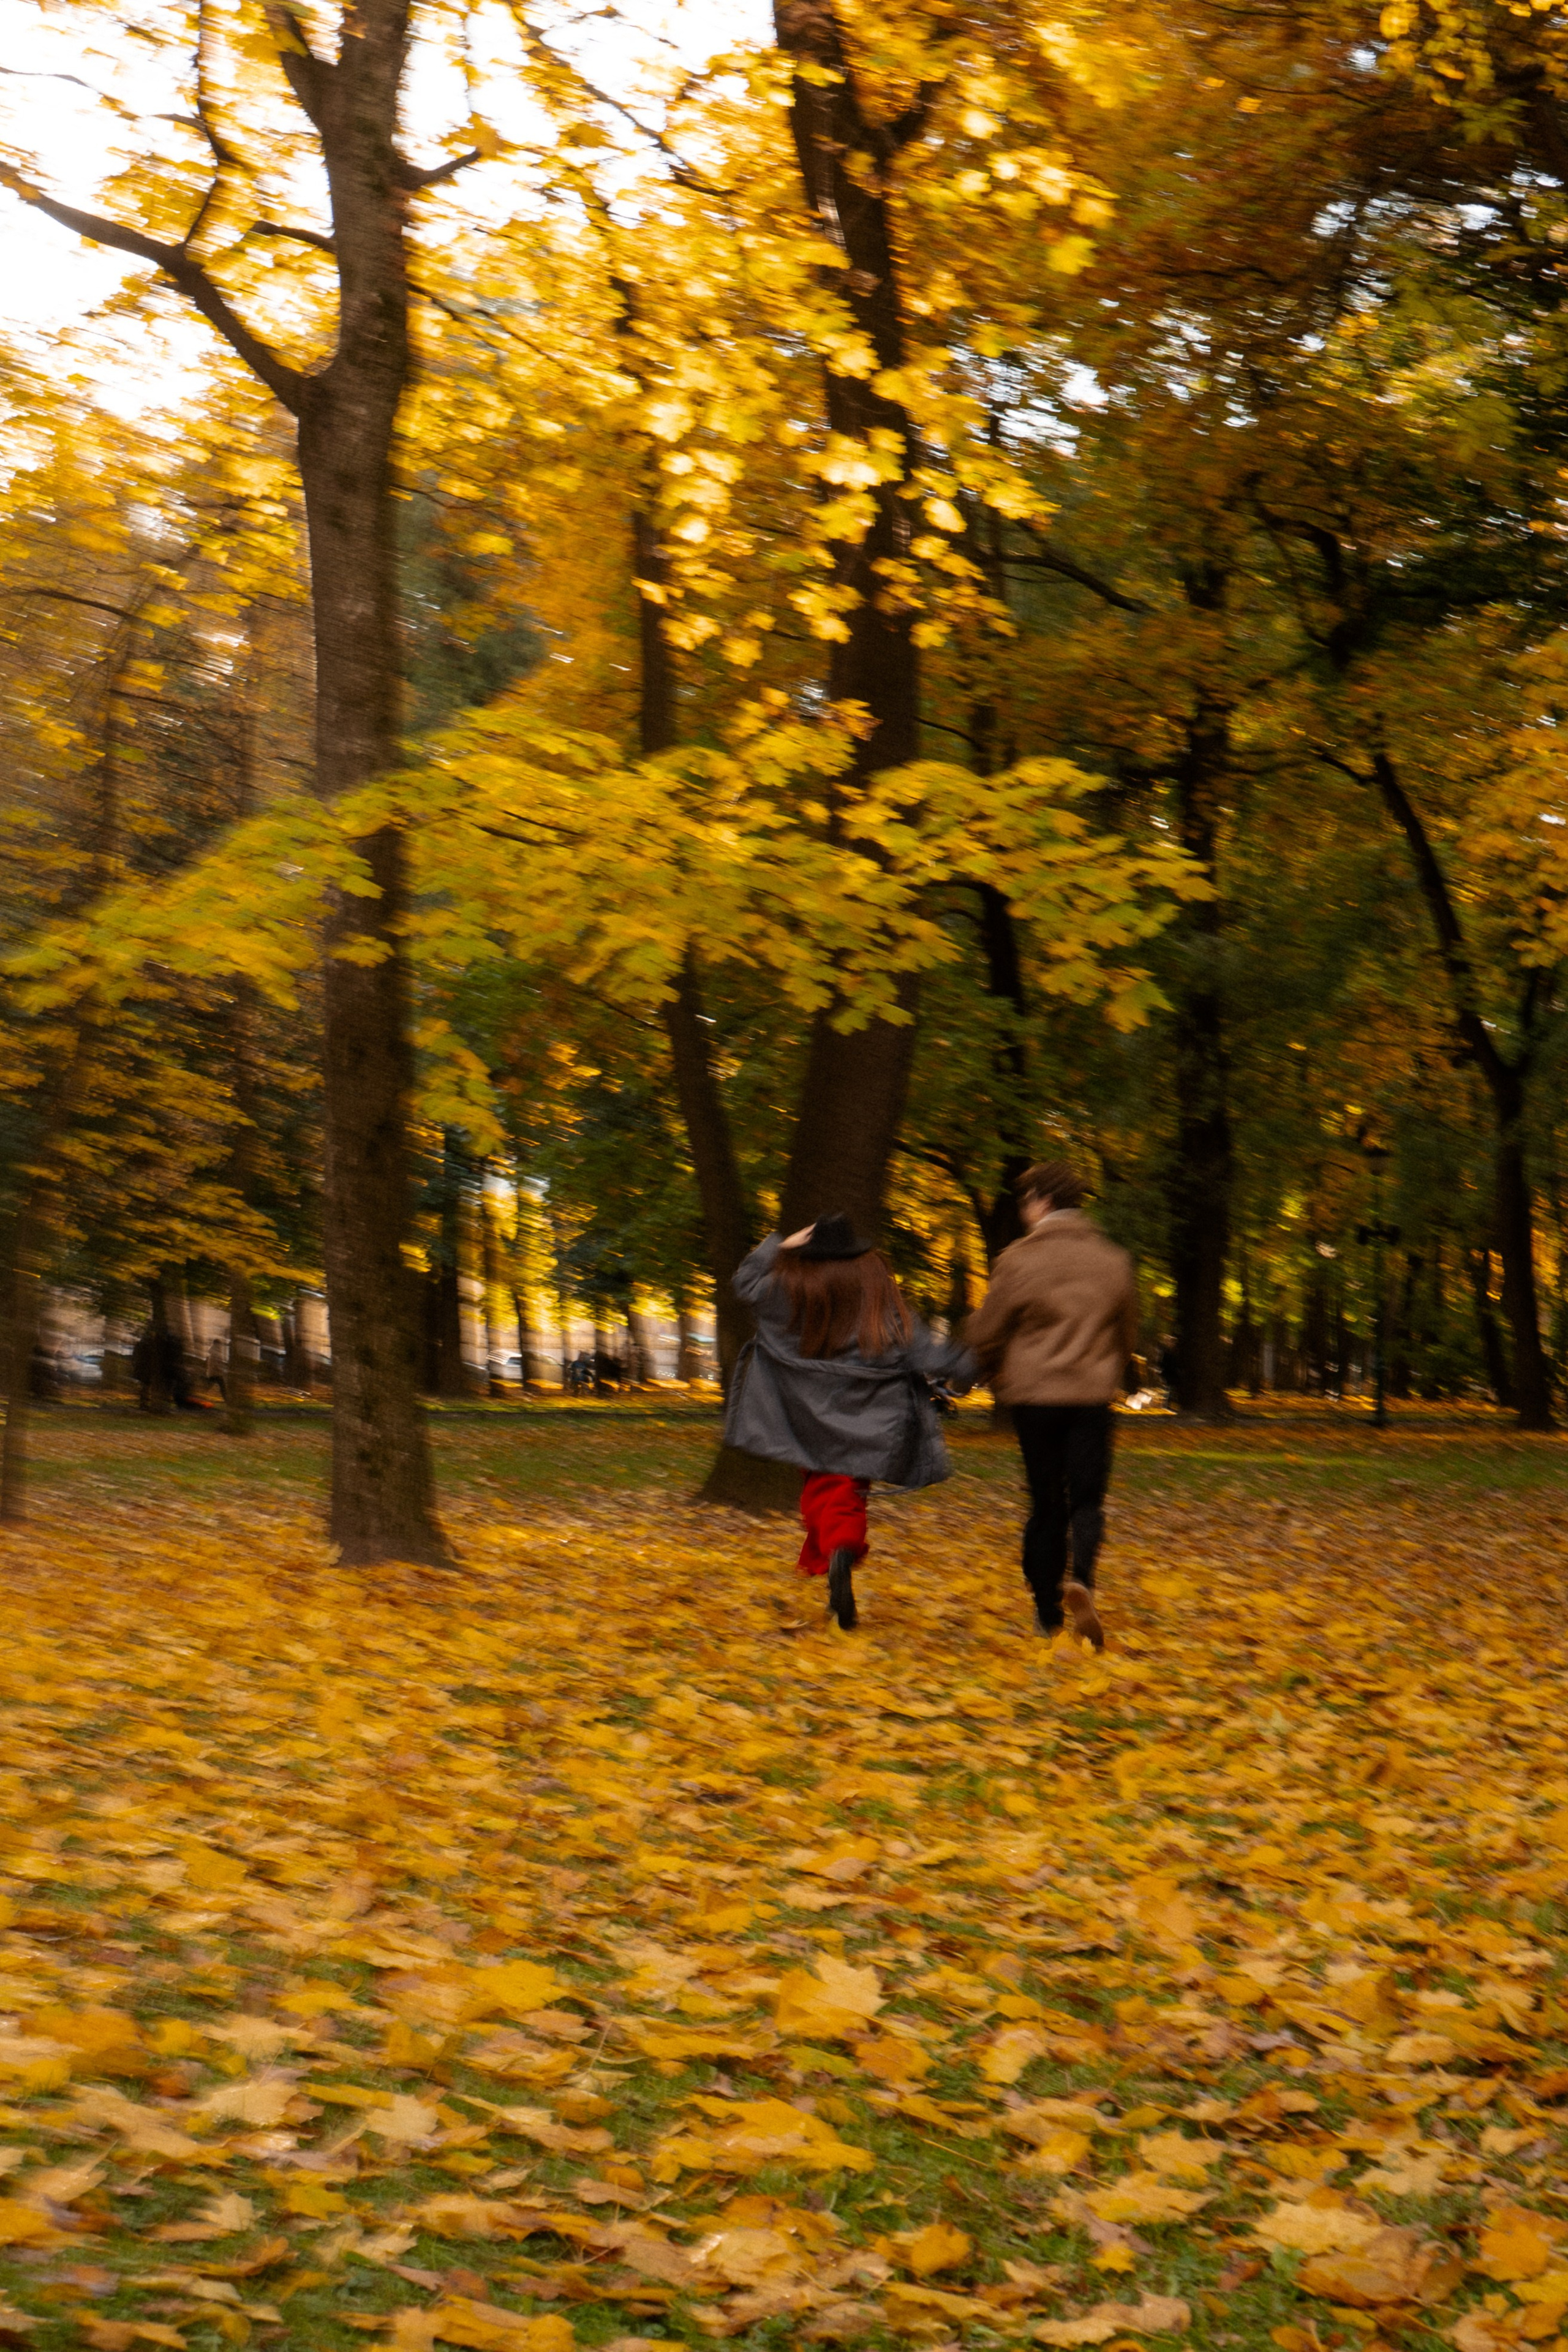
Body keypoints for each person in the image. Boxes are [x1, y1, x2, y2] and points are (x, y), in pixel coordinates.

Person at [725, 1214, 975, 1630]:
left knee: (821, 1490)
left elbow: (745, 1283)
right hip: (867, 1422)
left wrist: (779, 1245)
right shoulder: (879, 1302)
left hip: (803, 1419)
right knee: (845, 1493)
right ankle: (841, 1549)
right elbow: (927, 1352)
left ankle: (835, 1558)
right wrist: (977, 1365)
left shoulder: (785, 1293)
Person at [964, 1160, 1139, 1651]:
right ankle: (1081, 1576)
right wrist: (1108, 1368)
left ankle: (1046, 1612)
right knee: (1087, 1500)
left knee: (1046, 1503)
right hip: (1092, 1397)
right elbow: (1127, 1332)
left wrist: (982, 1359)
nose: (1023, 1210)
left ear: (1042, 1200)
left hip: (1035, 1398)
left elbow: (988, 1329)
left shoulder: (1019, 1259)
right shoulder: (1113, 1259)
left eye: (1025, 1201)